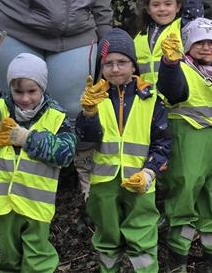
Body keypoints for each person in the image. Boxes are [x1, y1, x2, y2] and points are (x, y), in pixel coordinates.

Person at [0, 53, 75, 273]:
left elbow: (66, 153)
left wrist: (25, 138)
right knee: (9, 261)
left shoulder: (57, 117)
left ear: (42, 87)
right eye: (18, 91)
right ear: (10, 89)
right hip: (1, 205)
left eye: (32, 91)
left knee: (38, 262)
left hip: (35, 207)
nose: (24, 98)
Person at [76, 28, 171, 273]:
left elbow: (163, 143)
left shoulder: (150, 98)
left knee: (143, 240)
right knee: (107, 242)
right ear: (102, 67)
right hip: (103, 184)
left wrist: (149, 172)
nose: (115, 69)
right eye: (108, 64)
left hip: (139, 181)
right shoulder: (94, 97)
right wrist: (87, 114)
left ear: (133, 65)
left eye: (122, 62)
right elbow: (85, 139)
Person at [156, 18, 212, 273]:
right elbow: (172, 89)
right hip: (185, 141)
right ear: (188, 45)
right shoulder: (182, 69)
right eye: (200, 43)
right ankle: (177, 265)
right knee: (184, 196)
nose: (207, 48)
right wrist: (169, 64)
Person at [134, 0, 204, 91]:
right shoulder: (139, 36)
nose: (162, 9)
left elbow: (194, 13)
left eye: (168, 4)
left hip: (174, 96)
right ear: (148, 9)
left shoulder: (182, 27)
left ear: (177, 7)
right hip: (147, 99)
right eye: (156, 5)